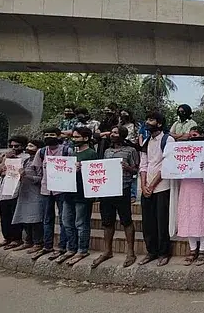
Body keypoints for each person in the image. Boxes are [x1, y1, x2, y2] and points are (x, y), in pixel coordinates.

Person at [91, 126, 139, 269]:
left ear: (122, 135)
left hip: (122, 189)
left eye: (115, 133)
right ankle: (107, 251)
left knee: (126, 221)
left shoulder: (131, 151)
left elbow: (137, 169)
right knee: (107, 222)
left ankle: (130, 252)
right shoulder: (107, 151)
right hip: (107, 190)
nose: (112, 134)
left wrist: (128, 168)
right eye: (111, 132)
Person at [30, 127, 73, 261]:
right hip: (45, 189)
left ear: (59, 136)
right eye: (46, 134)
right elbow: (37, 170)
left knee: (63, 219)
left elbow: (72, 169)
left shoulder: (67, 151)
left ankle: (62, 246)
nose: (49, 136)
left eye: (52, 134)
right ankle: (47, 245)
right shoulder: (41, 152)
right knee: (47, 219)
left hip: (62, 190)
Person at [57, 127, 97, 266]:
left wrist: (83, 169)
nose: (74, 140)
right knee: (67, 222)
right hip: (68, 193)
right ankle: (71, 247)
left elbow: (94, 174)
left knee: (81, 223)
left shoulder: (91, 153)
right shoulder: (70, 153)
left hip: (82, 194)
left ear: (86, 138)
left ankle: (82, 249)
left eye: (77, 137)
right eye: (73, 137)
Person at [139, 111, 175, 266]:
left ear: (159, 123)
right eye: (147, 119)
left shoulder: (168, 139)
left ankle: (163, 253)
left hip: (162, 187)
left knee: (162, 222)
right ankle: (151, 251)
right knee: (148, 223)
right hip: (146, 187)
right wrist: (143, 185)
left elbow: (167, 165)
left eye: (151, 119)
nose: (148, 122)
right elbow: (143, 163)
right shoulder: (147, 141)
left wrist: (152, 185)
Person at [177, 126, 204, 266]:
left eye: (195, 134)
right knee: (188, 214)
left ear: (202, 135)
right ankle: (192, 249)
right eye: (190, 135)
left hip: (201, 183)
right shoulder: (182, 149)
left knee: (200, 214)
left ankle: (202, 249)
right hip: (186, 184)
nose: (192, 137)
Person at [0, 135, 29, 250]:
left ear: (22, 146)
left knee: (14, 215)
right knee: (4, 214)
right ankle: (7, 237)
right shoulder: (6, 157)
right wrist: (4, 161)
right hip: (4, 189)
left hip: (17, 189)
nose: (13, 148)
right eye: (11, 146)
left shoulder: (26, 157)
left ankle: (17, 238)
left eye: (16, 146)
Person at [11, 139, 46, 253]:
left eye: (31, 146)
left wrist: (27, 176)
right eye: (28, 146)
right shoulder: (26, 161)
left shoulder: (40, 161)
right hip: (24, 193)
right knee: (25, 219)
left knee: (35, 219)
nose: (28, 148)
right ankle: (27, 241)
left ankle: (38, 242)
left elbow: (42, 179)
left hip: (35, 193)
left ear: (38, 149)